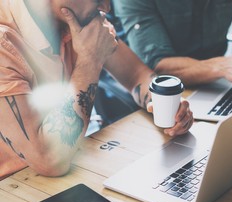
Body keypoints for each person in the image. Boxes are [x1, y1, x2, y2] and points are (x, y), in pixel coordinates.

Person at [0, 0, 194, 180]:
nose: (106, 7)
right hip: (14, 186)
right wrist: (90, 60)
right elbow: (49, 161)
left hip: (71, 166)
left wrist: (165, 107)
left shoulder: (78, 17)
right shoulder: (3, 41)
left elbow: (137, 75)